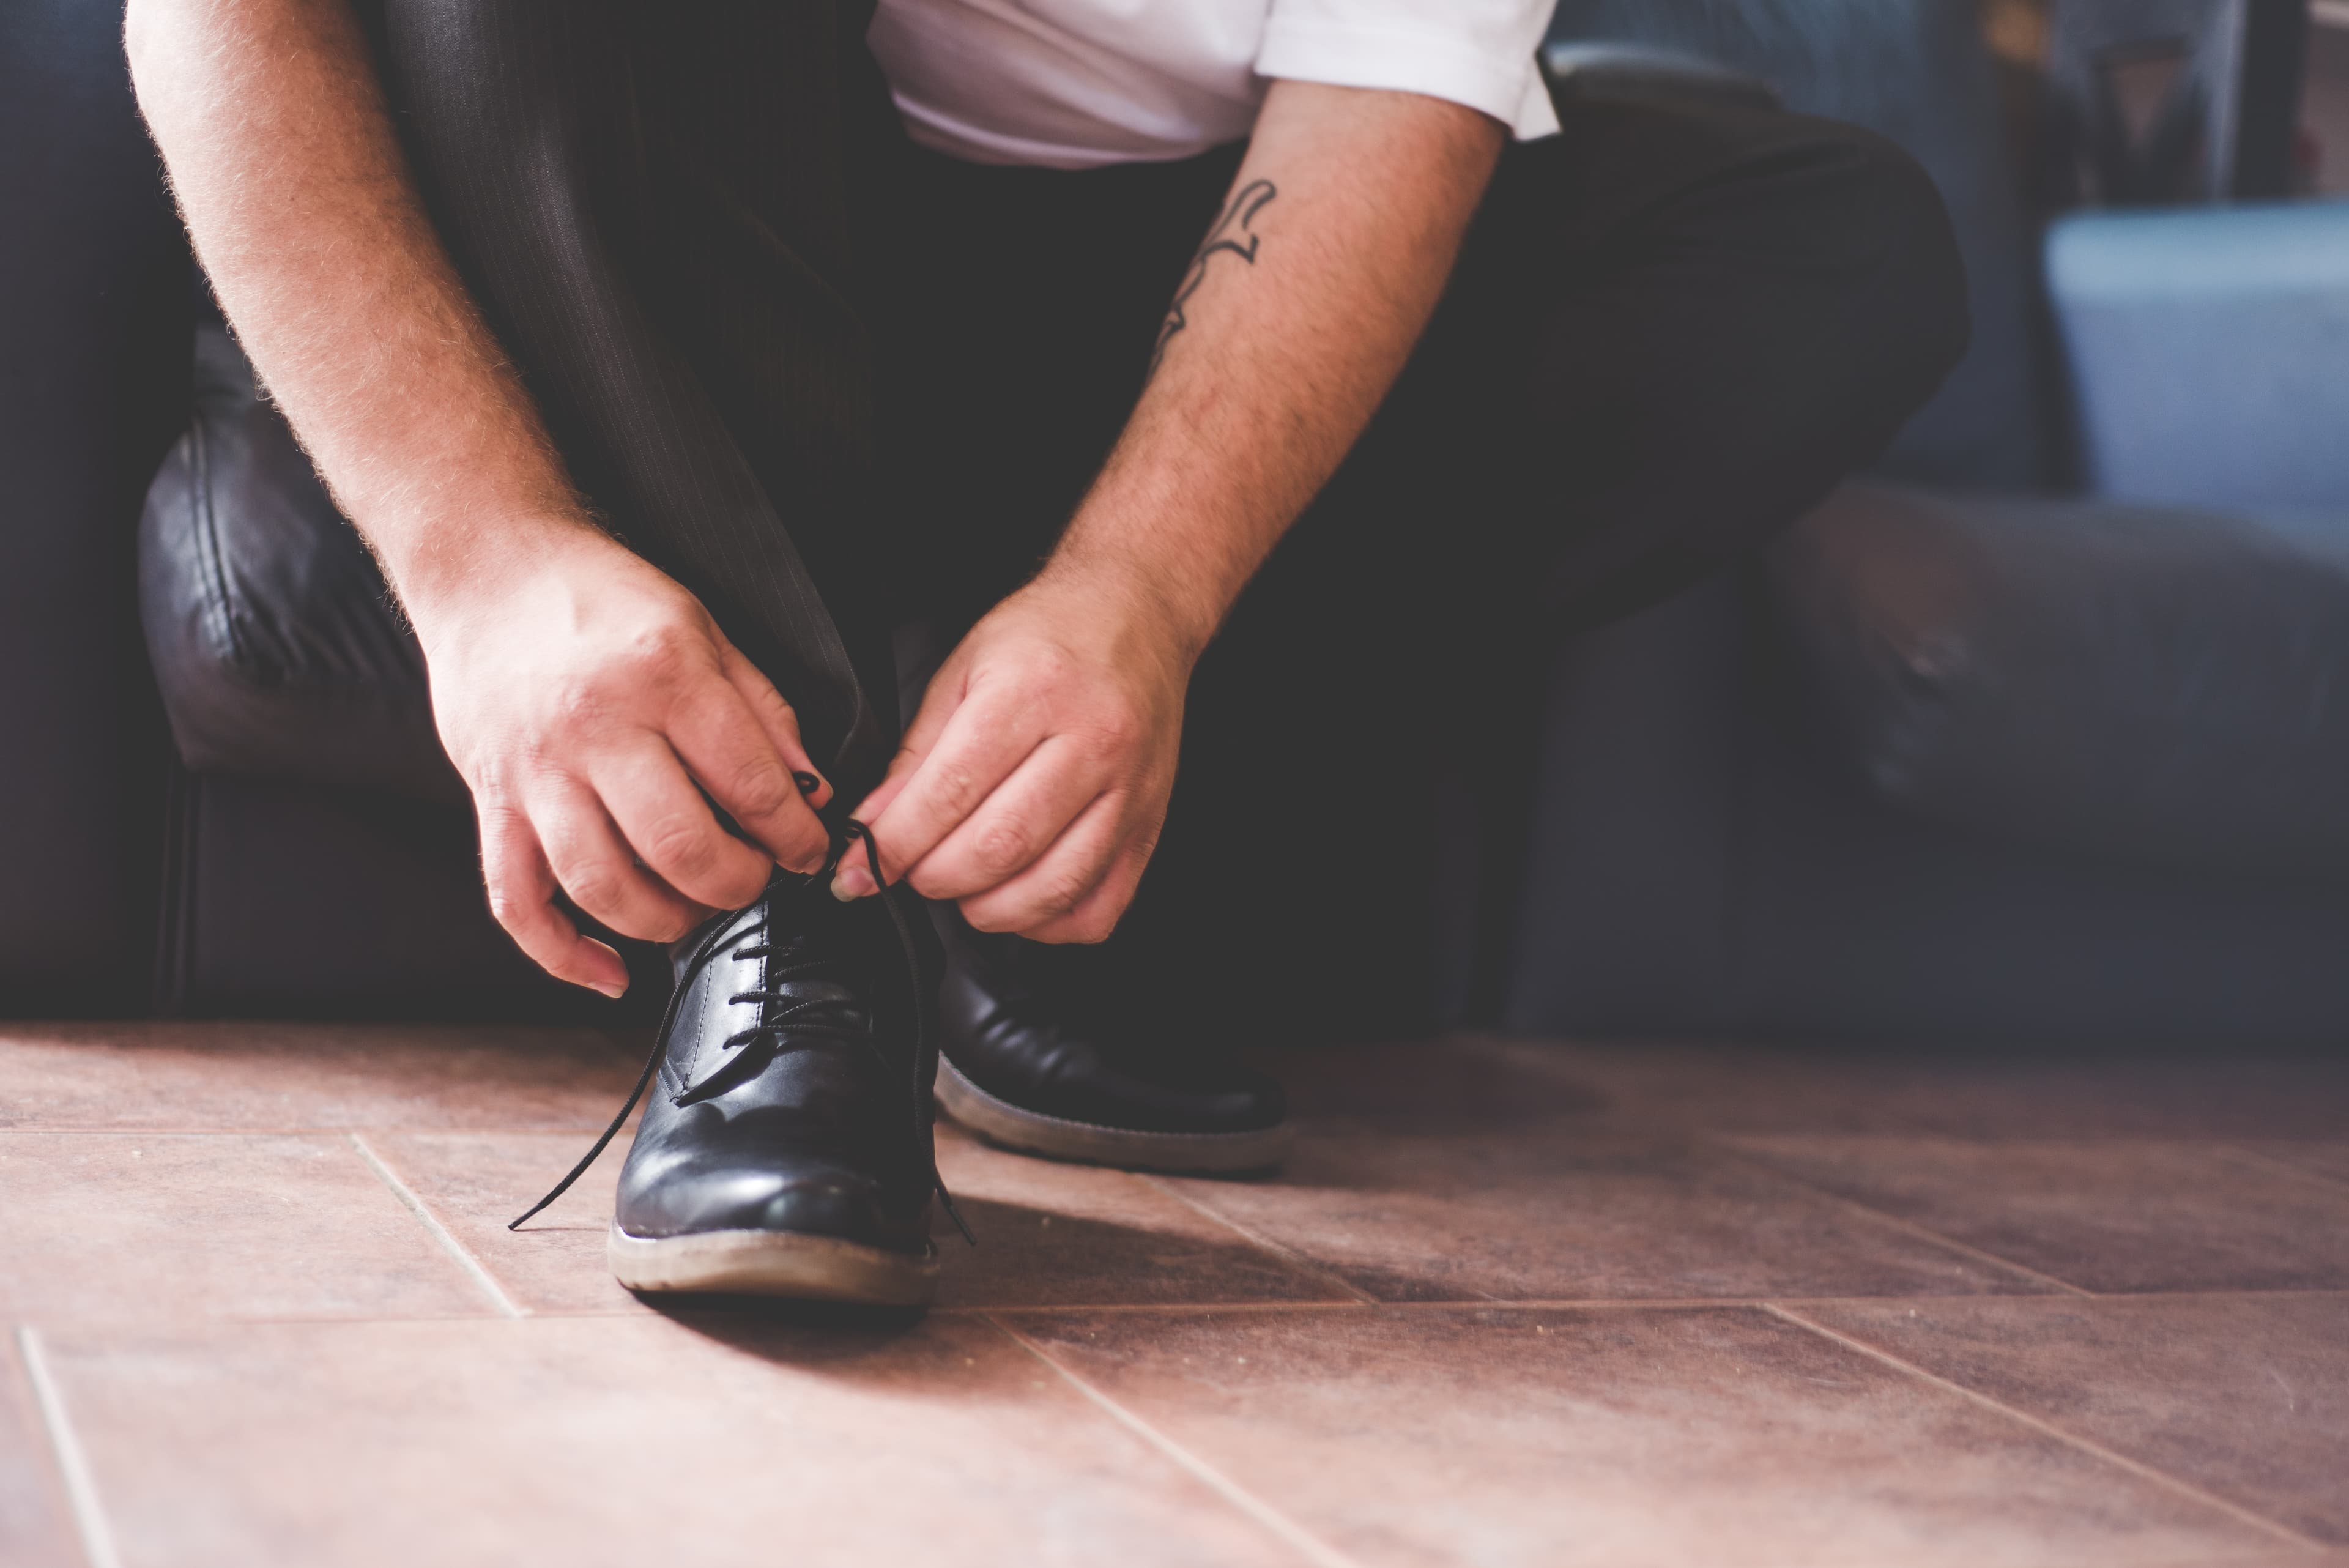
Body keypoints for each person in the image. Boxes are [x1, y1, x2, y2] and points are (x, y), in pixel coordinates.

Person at [127, 0, 1966, 1306]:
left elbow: (1384, 97)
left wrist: (1139, 600)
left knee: (1834, 248)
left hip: (1141, 260)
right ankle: (805, 924)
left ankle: (1028, 831)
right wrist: (489, 564)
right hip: (720, 191)